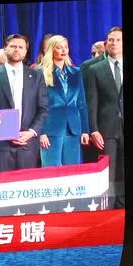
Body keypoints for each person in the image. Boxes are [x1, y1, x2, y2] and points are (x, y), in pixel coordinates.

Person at [0, 34, 48, 172]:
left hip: (27, 143)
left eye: (21, 47)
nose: (17, 50)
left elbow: (43, 108)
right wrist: (6, 133)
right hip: (1, 145)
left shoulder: (36, 75)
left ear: (25, 51)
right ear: (5, 48)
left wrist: (30, 132)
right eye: (13, 46)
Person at [84, 26, 125, 206]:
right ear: (105, 43)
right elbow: (91, 103)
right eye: (111, 40)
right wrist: (93, 129)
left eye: (118, 40)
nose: (114, 43)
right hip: (106, 129)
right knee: (108, 171)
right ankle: (108, 207)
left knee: (125, 170)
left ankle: (124, 206)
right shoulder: (95, 69)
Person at [37, 35, 90, 167]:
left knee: (72, 169)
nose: (63, 50)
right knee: (51, 169)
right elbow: (38, 105)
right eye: (59, 47)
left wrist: (85, 130)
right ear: (51, 50)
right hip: (50, 129)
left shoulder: (76, 72)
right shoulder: (41, 73)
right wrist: (41, 132)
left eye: (65, 47)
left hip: (73, 128)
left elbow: (81, 104)